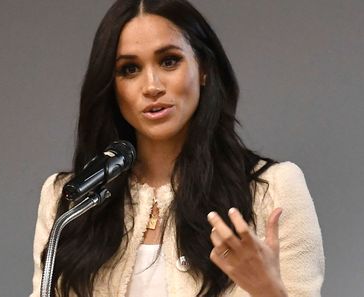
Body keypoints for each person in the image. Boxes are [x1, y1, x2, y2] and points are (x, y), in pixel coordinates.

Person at [30, 0, 324, 296]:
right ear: (111, 86)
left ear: (204, 68)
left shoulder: (274, 189)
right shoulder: (69, 200)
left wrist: (267, 290)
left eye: (169, 61)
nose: (152, 86)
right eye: (130, 69)